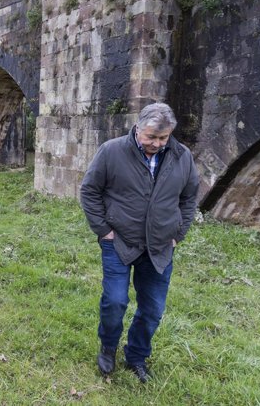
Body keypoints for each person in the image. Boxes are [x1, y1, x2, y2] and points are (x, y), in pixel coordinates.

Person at [80, 102, 199, 383]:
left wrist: (178, 233)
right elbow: (90, 190)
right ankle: (108, 347)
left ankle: (136, 356)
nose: (156, 144)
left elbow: (189, 197)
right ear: (138, 128)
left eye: (163, 138)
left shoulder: (183, 157)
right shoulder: (112, 151)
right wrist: (103, 230)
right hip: (119, 241)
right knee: (115, 301)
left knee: (153, 309)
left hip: (160, 246)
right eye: (151, 137)